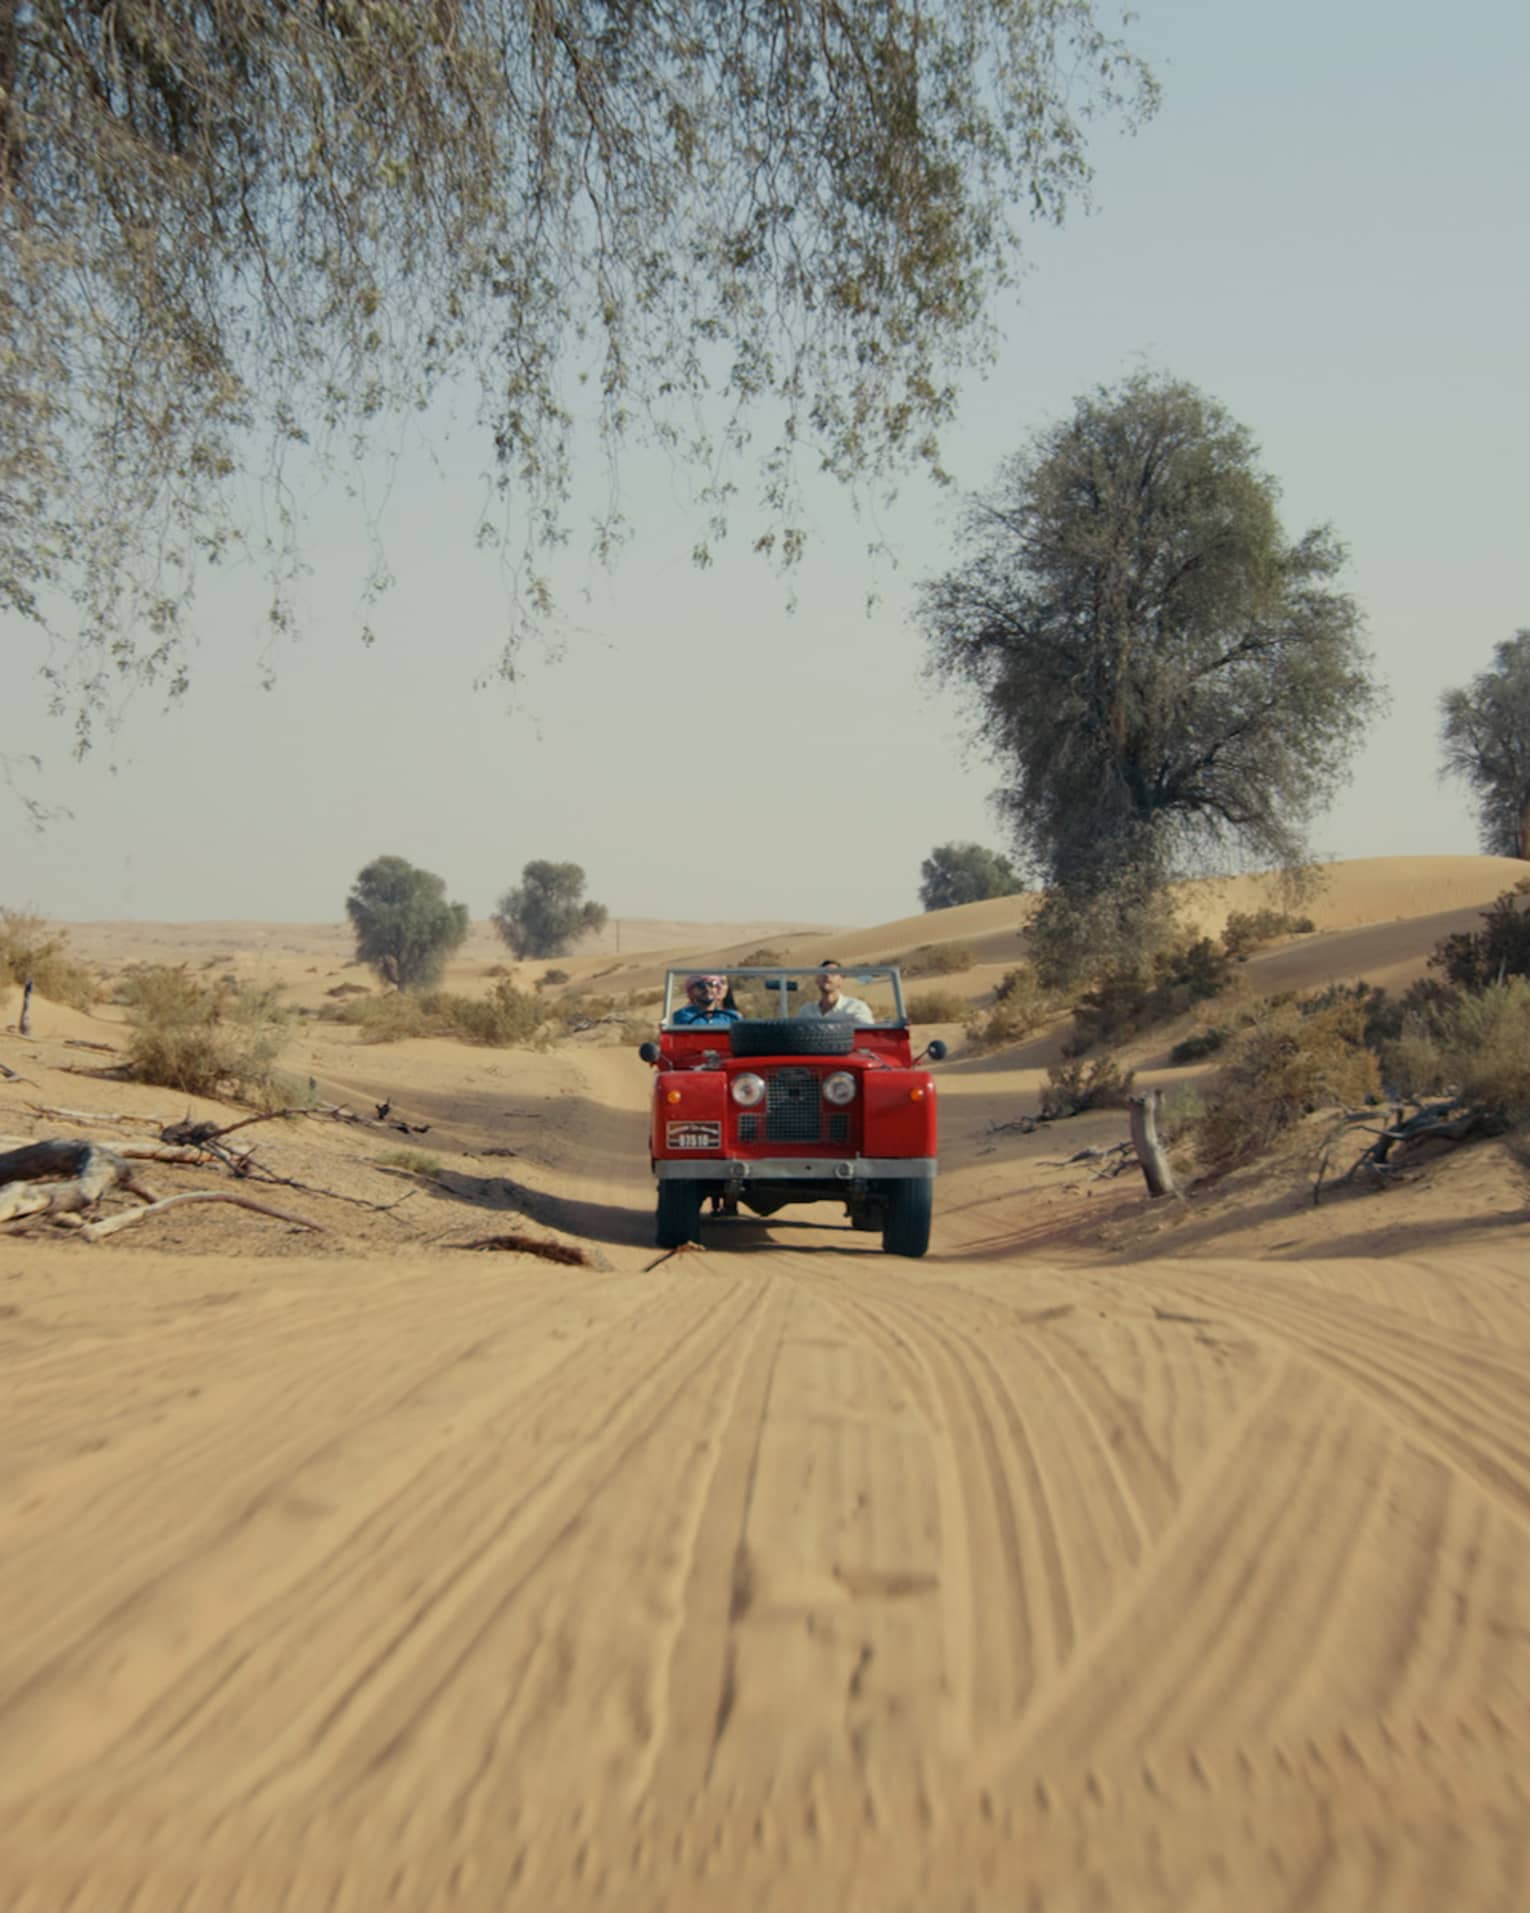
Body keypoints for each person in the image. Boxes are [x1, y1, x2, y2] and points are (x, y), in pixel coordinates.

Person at [796, 959, 874, 1023]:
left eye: (833, 973)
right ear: (817, 980)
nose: (827, 975)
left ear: (841, 980)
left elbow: (867, 1036)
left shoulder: (856, 1008)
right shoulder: (806, 1011)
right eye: (823, 972)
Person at [672, 972, 741, 1026]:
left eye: (711, 984)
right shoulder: (683, 1015)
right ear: (691, 991)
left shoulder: (732, 1016)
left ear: (717, 988)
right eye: (700, 985)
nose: (707, 988)